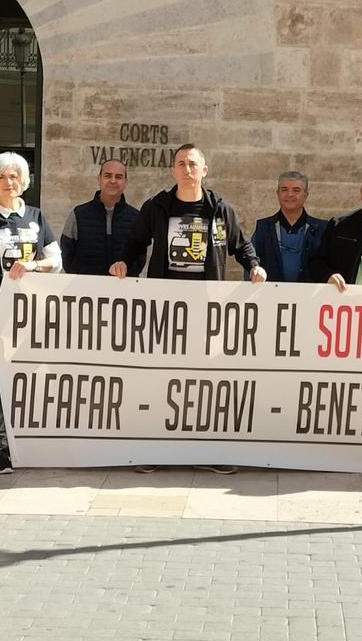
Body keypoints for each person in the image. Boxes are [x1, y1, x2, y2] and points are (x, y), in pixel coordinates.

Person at [110, 143, 265, 475]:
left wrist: (254, 266)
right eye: (181, 164)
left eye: (193, 164)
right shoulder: (157, 207)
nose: (187, 169)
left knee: (206, 380)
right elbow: (136, 244)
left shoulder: (220, 209)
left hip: (208, 309)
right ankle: (151, 450)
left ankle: (209, 451)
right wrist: (125, 263)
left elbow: (241, 245)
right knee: (160, 378)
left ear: (204, 171)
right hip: (165, 307)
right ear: (173, 171)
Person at [0, 153, 62, 475]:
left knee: (32, 374)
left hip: (31, 309)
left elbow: (56, 261)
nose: (10, 182)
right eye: (3, 177)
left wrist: (34, 264)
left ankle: (30, 440)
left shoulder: (36, 216)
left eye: (15, 176)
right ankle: (0, 448)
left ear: (24, 180)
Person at [61, 159, 140, 276]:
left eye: (118, 177)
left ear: (125, 182)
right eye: (108, 176)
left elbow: (140, 256)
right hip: (85, 289)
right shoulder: (78, 214)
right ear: (99, 179)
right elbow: (67, 254)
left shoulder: (136, 218)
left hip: (123, 289)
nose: (113, 181)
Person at [250, 171, 326, 282]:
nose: (289, 194)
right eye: (284, 190)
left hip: (310, 297)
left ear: (306, 195)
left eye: (296, 190)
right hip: (270, 296)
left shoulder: (322, 229)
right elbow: (252, 264)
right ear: (278, 194)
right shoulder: (263, 228)